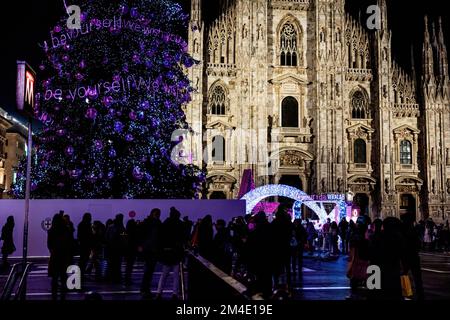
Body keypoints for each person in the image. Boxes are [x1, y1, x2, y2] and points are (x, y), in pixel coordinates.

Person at [156, 207, 185, 300]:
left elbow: (160, 237)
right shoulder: (180, 224)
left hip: (167, 252)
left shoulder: (165, 223)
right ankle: (174, 293)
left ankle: (159, 292)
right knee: (176, 275)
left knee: (164, 274)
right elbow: (183, 237)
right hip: (176, 252)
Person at [48, 213, 72, 300]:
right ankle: (63, 294)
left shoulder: (51, 230)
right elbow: (69, 242)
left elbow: (49, 244)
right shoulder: (65, 229)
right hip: (63, 255)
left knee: (54, 276)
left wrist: (52, 251)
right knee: (63, 275)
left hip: (55, 255)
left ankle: (54, 295)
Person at [140, 208, 162, 298]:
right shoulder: (155, 223)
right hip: (150, 250)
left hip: (150, 249)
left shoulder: (148, 223)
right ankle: (145, 289)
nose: (157, 215)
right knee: (148, 271)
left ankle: (145, 289)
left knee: (149, 271)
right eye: (156, 214)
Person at [77, 212, 93, 278]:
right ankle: (81, 272)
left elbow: (79, 235)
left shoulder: (81, 224)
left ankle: (80, 272)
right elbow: (89, 235)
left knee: (82, 259)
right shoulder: (87, 225)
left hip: (83, 244)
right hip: (86, 244)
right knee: (84, 259)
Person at [124, 219, 138, 285]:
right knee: (130, 266)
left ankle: (127, 278)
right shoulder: (135, 233)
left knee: (128, 266)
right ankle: (128, 278)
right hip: (132, 250)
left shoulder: (125, 232)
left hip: (127, 250)